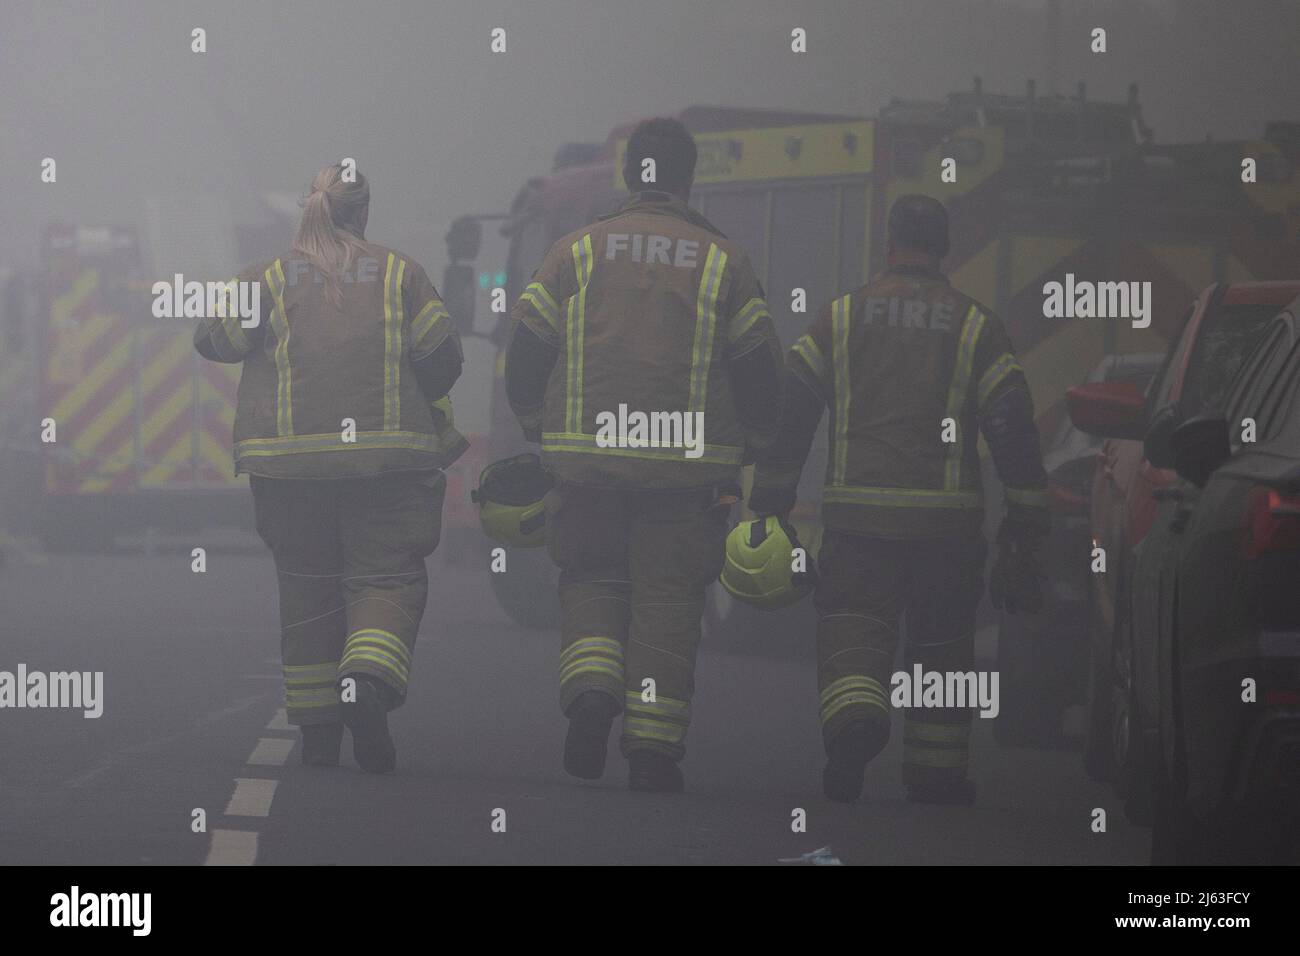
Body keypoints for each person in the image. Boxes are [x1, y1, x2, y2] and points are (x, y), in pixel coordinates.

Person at [504, 118, 783, 792]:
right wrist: (755, 447)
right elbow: (758, 371)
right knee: (667, 602)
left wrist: (538, 426)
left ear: (631, 175)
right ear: (688, 179)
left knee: (594, 583)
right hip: (683, 479)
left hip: (588, 469)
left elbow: (528, 353)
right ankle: (653, 751)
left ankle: (594, 692)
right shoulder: (725, 261)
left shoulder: (575, 252)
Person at [750, 194, 1049, 804]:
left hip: (860, 523)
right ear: (944, 249)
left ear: (888, 244)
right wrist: (1026, 516)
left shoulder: (839, 319)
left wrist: (773, 495)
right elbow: (1013, 425)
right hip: (948, 530)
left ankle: (853, 728)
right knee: (942, 648)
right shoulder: (976, 325)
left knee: (854, 631)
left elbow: (793, 409)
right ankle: (936, 774)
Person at [194, 164, 467, 773]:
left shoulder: (266, 277)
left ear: (308, 209)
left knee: (307, 589)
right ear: (364, 213)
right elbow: (443, 363)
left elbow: (212, 342)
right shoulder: (401, 274)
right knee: (386, 579)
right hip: (388, 466)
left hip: (289, 469)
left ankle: (318, 738)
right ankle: (365, 682)